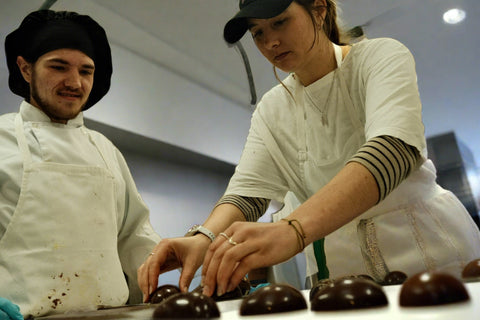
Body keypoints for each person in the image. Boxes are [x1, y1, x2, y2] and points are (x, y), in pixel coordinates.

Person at [138, 0, 480, 300]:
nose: (270, 41)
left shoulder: (379, 57)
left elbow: (393, 150)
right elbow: (248, 193)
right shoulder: (271, 109)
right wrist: (204, 237)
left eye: (280, 22)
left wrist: (293, 229)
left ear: (319, 9)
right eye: (257, 33)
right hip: (346, 274)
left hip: (432, 257)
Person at [0, 10, 161, 319]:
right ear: (25, 69)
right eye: (58, 67)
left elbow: (135, 238)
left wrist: (162, 293)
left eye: (86, 71)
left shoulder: (105, 150)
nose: (74, 82)